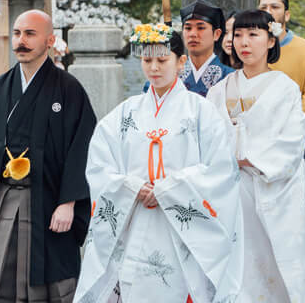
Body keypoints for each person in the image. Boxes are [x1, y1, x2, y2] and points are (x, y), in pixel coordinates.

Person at [74, 22, 243, 303]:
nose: (154, 67)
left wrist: (168, 188)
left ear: (181, 62)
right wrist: (131, 186)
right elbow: (100, 165)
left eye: (162, 60)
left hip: (181, 225)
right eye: (147, 60)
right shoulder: (125, 113)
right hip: (135, 214)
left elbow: (220, 169)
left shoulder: (202, 112)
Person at [0, 10, 96, 303]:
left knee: (47, 282)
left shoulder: (69, 91)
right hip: (0, 197)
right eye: (17, 33)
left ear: (50, 40)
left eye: (30, 34)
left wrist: (68, 203)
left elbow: (83, 150)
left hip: (49, 201)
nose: (21, 41)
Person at [207, 10, 305, 302]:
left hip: (272, 188)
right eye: (237, 34)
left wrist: (246, 157)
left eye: (253, 34)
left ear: (270, 41)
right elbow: (207, 138)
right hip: (230, 190)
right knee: (237, 266)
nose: (243, 42)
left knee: (277, 265)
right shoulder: (218, 90)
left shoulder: (285, 88)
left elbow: (290, 141)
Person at [262, 0, 305, 201]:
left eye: (275, 6)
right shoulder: (254, 50)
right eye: (263, 7)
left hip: (303, 142)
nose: (269, 11)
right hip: (262, 145)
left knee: (297, 207)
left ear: (286, 14)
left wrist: (282, 126)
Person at [177, 0, 233, 95]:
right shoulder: (171, 76)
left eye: (201, 28)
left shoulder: (231, 77)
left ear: (217, 34)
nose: (193, 34)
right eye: (188, 28)